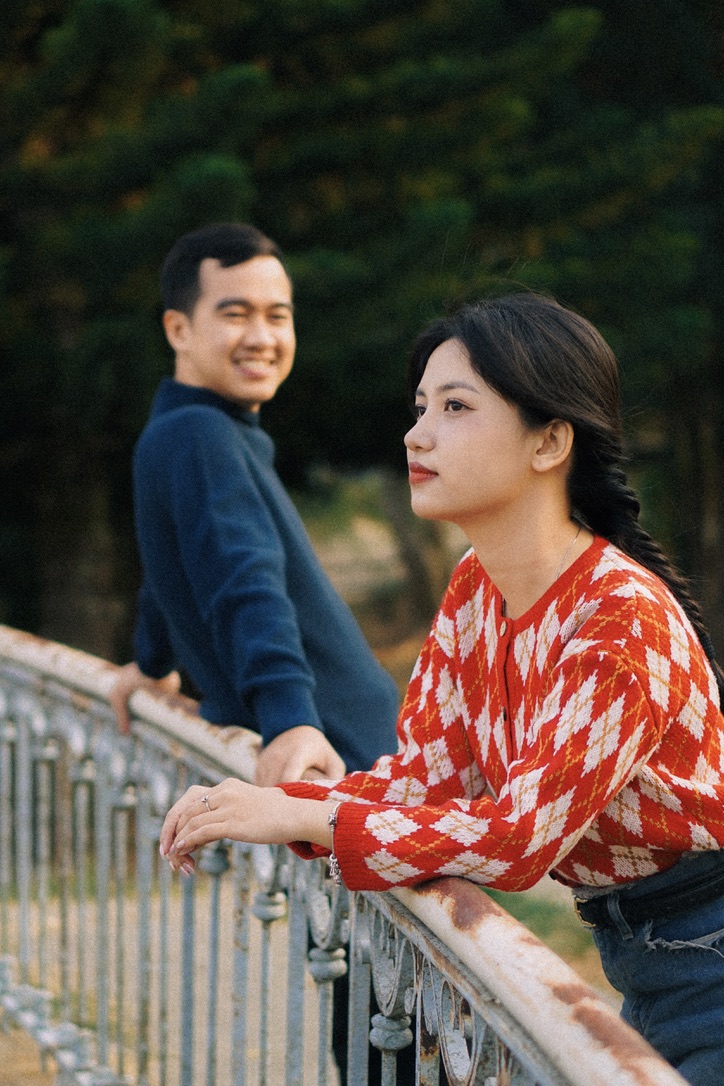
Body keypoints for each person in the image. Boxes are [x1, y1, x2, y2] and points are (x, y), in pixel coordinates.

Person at [160, 291, 724, 1086]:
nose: (417, 433)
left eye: (456, 407)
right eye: (421, 406)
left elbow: (519, 838)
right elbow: (426, 782)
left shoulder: (619, 617)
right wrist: (279, 805)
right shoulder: (475, 587)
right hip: (649, 955)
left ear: (549, 440)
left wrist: (309, 814)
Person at [110, 222, 399, 787]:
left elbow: (173, 564)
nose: (262, 337)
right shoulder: (201, 435)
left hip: (346, 743)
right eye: (236, 315)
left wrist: (151, 662)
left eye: (278, 316)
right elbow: (244, 580)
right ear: (178, 329)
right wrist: (290, 719)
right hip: (336, 754)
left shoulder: (182, 430)